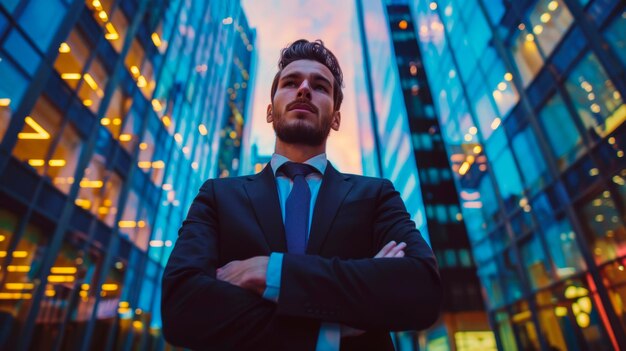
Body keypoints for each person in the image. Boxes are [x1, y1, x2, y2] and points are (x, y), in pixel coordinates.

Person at [162, 39, 442, 350]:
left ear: (335, 117)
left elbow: (421, 288)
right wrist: (330, 327)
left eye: (320, 86)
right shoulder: (218, 195)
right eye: (291, 82)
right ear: (270, 112)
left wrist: (273, 271)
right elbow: (181, 308)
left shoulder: (376, 194)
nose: (304, 89)